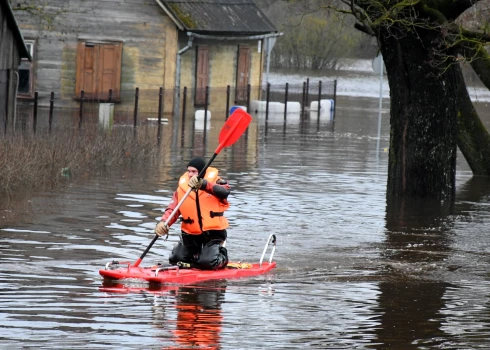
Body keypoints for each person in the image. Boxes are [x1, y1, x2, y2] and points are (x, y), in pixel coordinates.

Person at [155, 157, 230, 270]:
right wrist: (163, 222)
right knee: (176, 258)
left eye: (194, 171)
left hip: (213, 234)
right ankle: (197, 258)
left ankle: (221, 257)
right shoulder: (182, 189)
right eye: (189, 171)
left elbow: (225, 192)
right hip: (190, 234)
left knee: (208, 262)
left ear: (202, 172)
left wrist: (203, 184)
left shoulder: (216, 184)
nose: (190, 174)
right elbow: (172, 209)